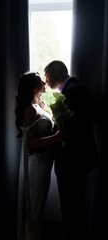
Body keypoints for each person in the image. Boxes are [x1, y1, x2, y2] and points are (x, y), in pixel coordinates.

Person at [44, 60, 99, 240]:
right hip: (75, 161)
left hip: (73, 162)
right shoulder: (72, 90)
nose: (46, 80)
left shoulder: (72, 91)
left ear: (58, 70)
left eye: (48, 75)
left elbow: (70, 129)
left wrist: (52, 131)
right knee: (74, 205)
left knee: (72, 206)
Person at [14, 72, 63, 240]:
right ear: (33, 87)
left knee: (38, 208)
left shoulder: (40, 105)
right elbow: (30, 143)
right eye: (39, 80)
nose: (44, 82)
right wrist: (56, 138)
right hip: (36, 165)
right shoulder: (29, 109)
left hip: (44, 163)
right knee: (34, 209)